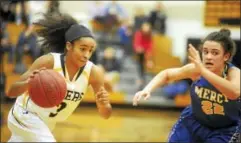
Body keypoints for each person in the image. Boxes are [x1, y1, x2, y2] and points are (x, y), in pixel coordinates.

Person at [6, 12, 112, 142]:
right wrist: (27, 83)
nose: (86, 55)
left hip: (48, 123)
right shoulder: (48, 62)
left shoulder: (93, 73)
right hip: (25, 114)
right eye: (82, 49)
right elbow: (11, 91)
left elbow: (105, 115)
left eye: (90, 50)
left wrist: (104, 105)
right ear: (69, 46)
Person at [133, 28, 240, 143]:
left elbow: (234, 93)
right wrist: (147, 89)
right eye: (205, 51)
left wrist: (203, 71)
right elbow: (167, 74)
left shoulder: (234, 73)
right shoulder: (196, 69)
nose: (208, 56)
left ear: (226, 56)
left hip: (224, 129)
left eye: (215, 53)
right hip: (192, 122)